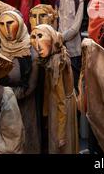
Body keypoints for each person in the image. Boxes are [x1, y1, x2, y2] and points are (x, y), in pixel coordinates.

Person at [0, 10, 40, 153]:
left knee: (27, 138)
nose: (6, 29)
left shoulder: (30, 50)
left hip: (25, 104)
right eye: (1, 24)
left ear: (20, 24)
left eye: (10, 23)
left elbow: (32, 86)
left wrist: (12, 95)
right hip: (5, 108)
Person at [30, 24, 78, 154]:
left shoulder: (57, 62)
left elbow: (61, 101)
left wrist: (61, 134)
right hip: (56, 103)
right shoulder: (54, 56)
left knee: (59, 145)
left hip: (60, 108)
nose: (37, 44)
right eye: (33, 37)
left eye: (40, 36)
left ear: (51, 38)